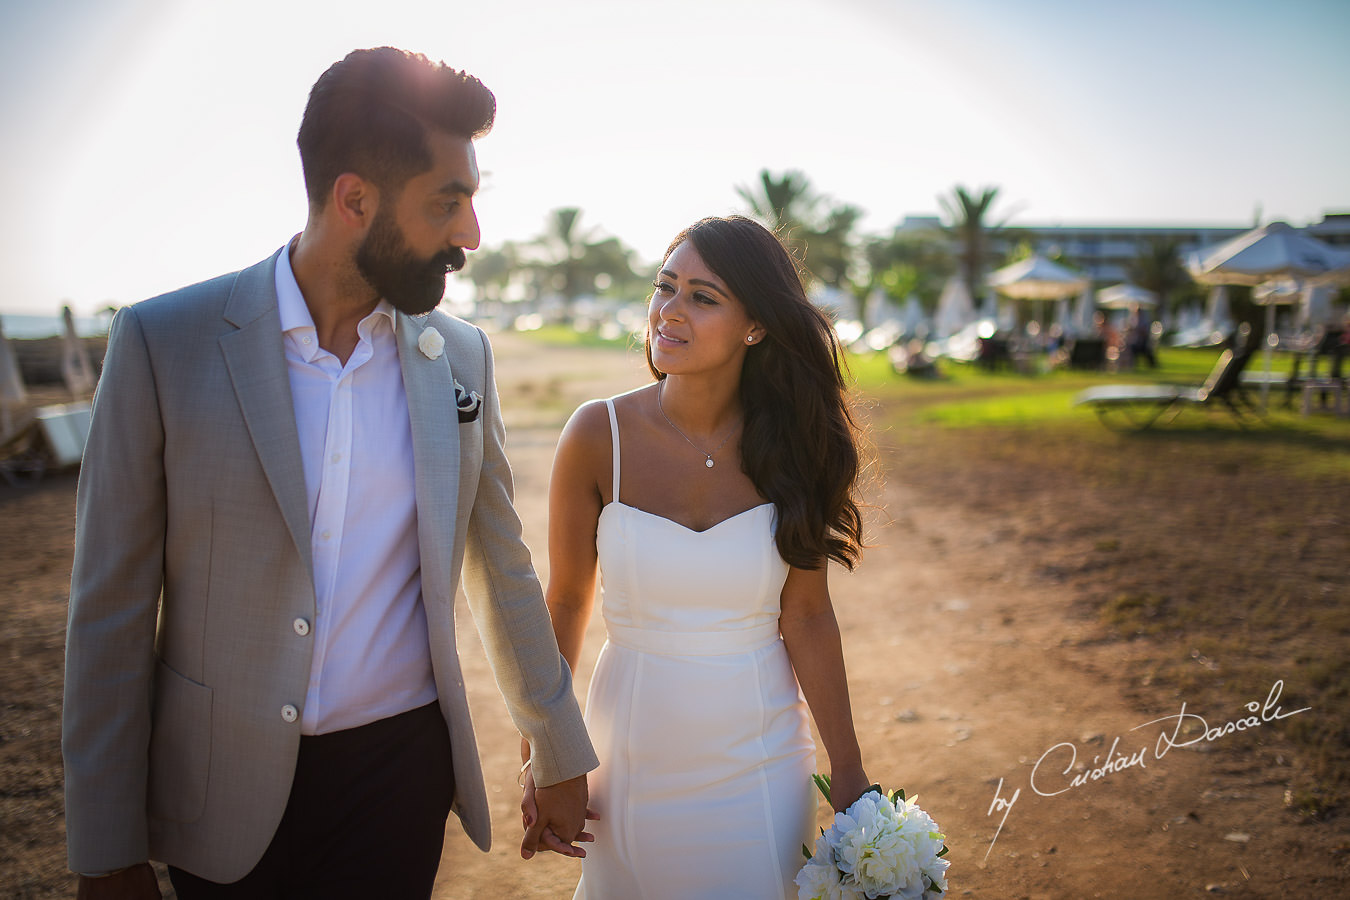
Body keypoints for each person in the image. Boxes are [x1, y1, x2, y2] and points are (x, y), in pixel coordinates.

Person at [62, 48, 597, 900]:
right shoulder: (164, 345)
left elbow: (501, 567)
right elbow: (110, 614)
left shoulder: (460, 357)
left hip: (399, 783)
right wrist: (105, 846)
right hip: (220, 792)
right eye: (447, 203)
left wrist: (559, 748)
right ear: (354, 199)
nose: (470, 236)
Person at [524, 215, 872, 898]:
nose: (669, 311)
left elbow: (806, 618)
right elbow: (565, 600)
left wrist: (851, 773)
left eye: (702, 297)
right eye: (665, 287)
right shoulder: (600, 434)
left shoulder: (794, 449)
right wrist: (547, 755)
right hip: (627, 759)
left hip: (761, 763)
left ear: (757, 326)